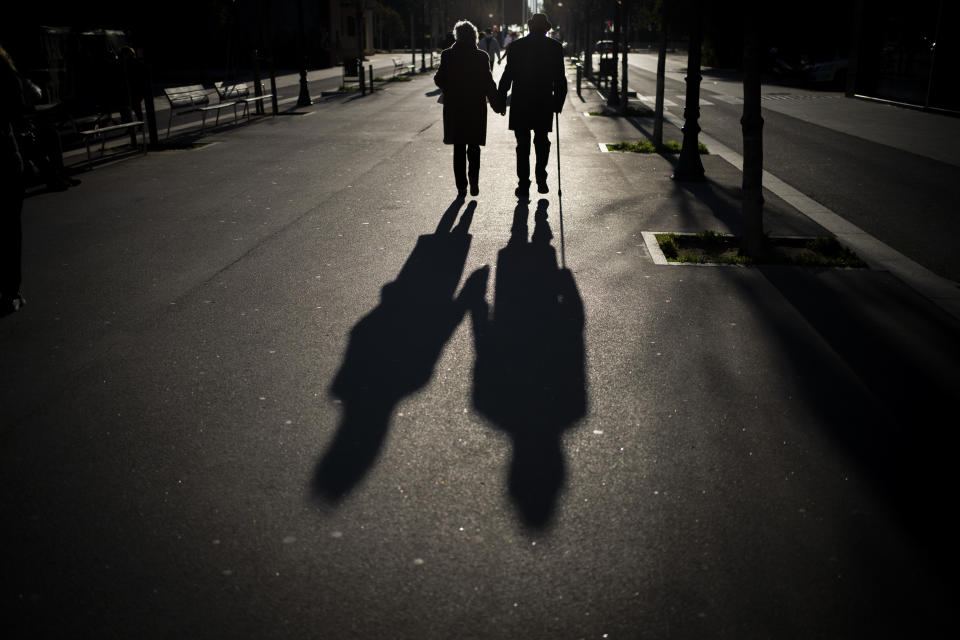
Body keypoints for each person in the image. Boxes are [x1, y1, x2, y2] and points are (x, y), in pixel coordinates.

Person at [496, 13, 567, 198]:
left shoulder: (516, 46)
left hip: (521, 101)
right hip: (543, 101)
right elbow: (561, 79)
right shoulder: (555, 47)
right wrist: (558, 102)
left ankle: (524, 184)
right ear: (547, 29)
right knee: (542, 141)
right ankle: (541, 178)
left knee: (523, 145)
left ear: (529, 27)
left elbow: (507, 75)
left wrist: (501, 99)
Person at [434, 20, 502, 198]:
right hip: (475, 108)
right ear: (474, 36)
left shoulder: (448, 55)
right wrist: (497, 105)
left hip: (455, 107)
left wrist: (450, 88)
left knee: (458, 148)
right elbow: (489, 84)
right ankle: (474, 181)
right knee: (473, 147)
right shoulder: (481, 57)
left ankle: (461, 186)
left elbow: (439, 79)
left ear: (457, 36)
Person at [1, 44, 26, 314]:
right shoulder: (5, 70)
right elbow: (19, 107)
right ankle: (11, 290)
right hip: (6, 158)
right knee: (9, 229)